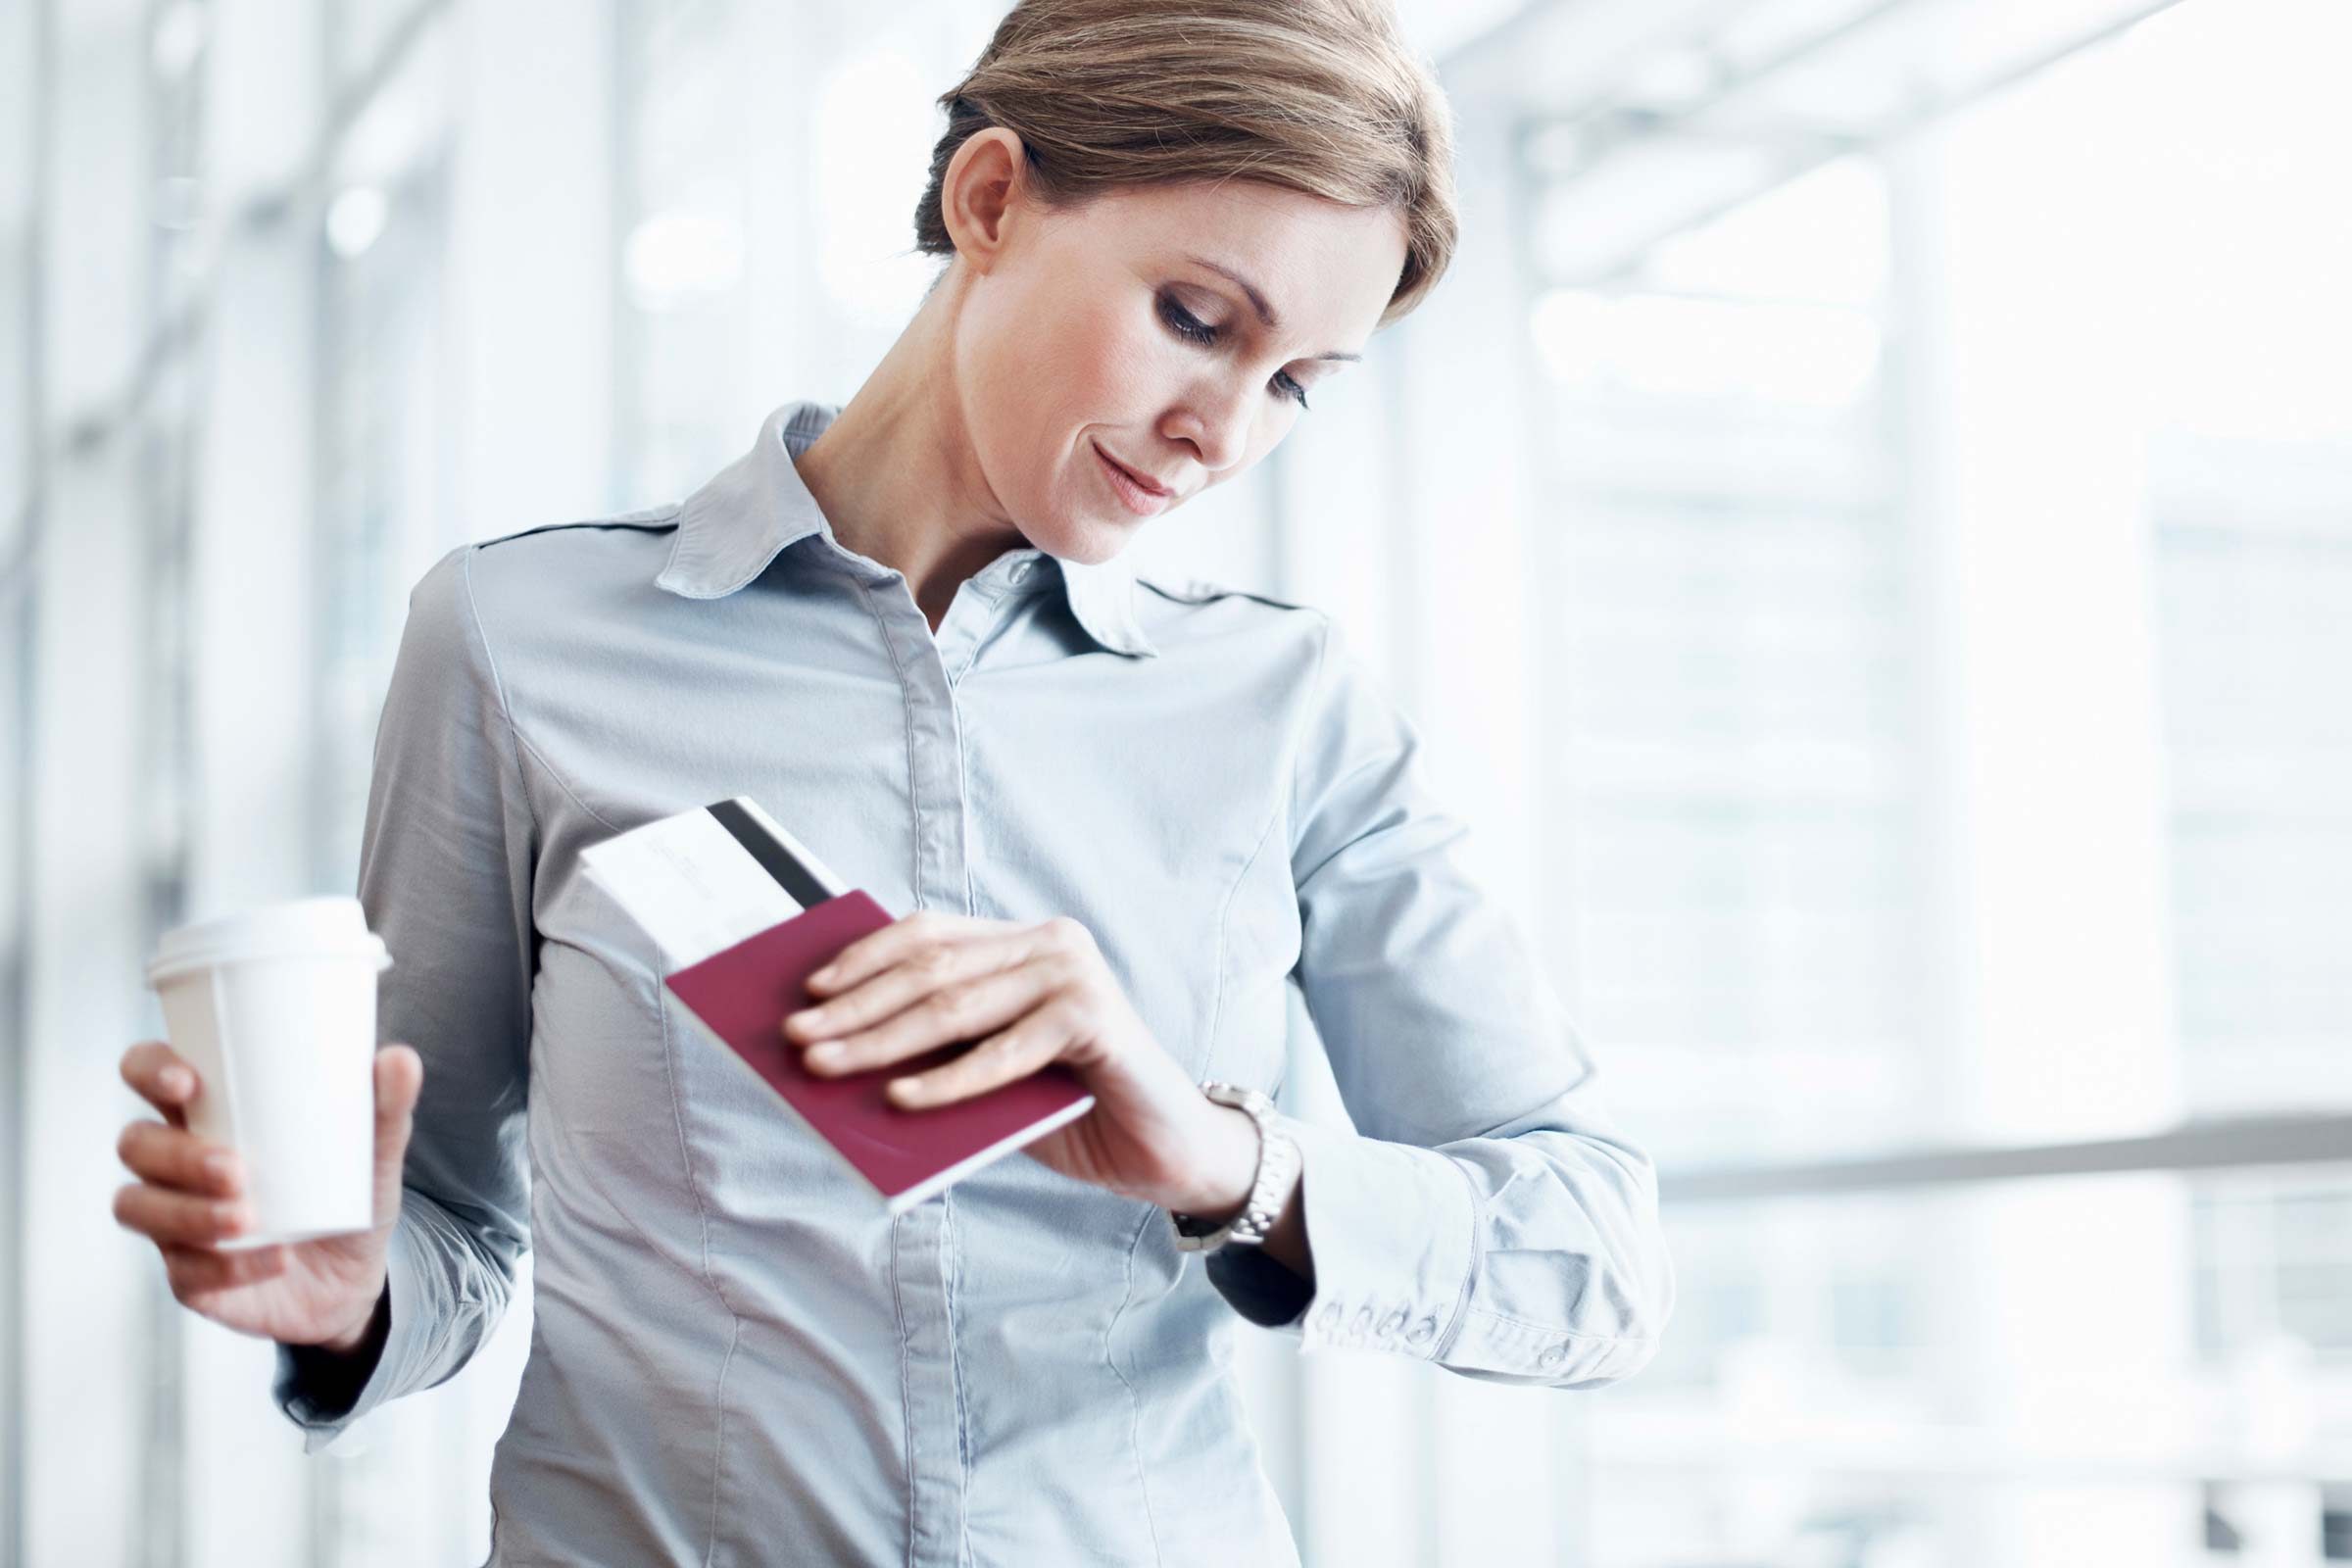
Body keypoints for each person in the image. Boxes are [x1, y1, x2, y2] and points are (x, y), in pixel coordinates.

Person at [111, 0, 1674, 1561]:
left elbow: (1590, 1262)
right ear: (989, 200)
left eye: (1296, 384)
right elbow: (438, 1216)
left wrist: (1221, 1160)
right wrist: (347, 1301)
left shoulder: (1283, 708)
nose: (1222, 434)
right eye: (1199, 318)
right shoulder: (522, 646)